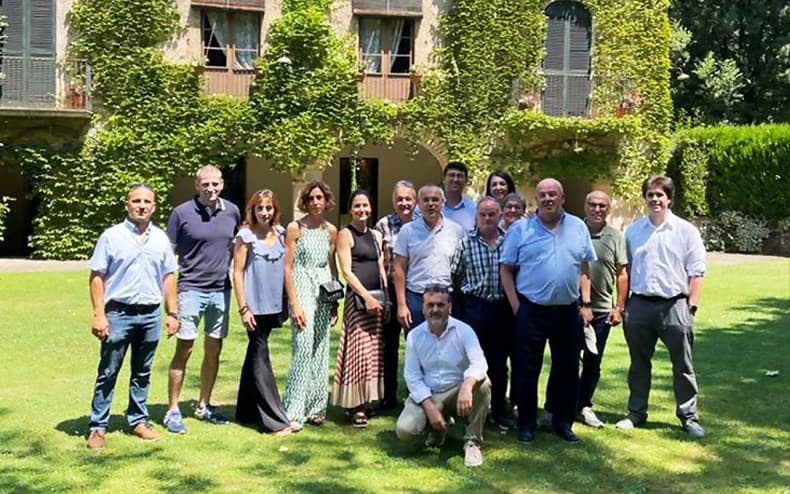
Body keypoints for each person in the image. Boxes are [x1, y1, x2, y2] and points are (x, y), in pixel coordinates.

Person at [500, 178, 596, 444]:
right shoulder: (520, 230)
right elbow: (506, 268)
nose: (547, 199)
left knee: (567, 368)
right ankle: (526, 423)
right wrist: (516, 306)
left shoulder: (578, 227)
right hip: (531, 310)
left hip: (567, 311)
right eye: (542, 195)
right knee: (527, 369)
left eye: (553, 194)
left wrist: (586, 302)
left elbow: (584, 267)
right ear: (537, 199)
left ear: (562, 198)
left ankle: (562, 422)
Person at [86, 184, 179, 450]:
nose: (141, 206)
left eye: (147, 202)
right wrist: (99, 315)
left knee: (142, 372)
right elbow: (97, 276)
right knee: (108, 371)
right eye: (136, 201)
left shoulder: (160, 238)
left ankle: (138, 420)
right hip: (119, 314)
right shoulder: (111, 237)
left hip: (150, 315)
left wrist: (172, 312)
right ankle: (98, 426)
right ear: (127, 205)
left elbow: (168, 276)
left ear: (154, 206)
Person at [616, 176, 707, 438]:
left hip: (675, 305)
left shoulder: (686, 231)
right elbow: (625, 271)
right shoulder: (633, 231)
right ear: (645, 198)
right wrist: (622, 306)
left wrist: (691, 306)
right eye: (650, 195)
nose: (655, 199)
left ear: (669, 199)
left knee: (683, 365)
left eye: (660, 195)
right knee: (638, 364)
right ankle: (636, 412)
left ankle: (688, 417)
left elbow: (697, 271)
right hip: (640, 305)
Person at [539, 190, 629, 429]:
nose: (597, 209)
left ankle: (583, 406)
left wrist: (619, 307)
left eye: (602, 206)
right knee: (563, 360)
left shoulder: (615, 237)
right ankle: (551, 407)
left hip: (601, 310)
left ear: (608, 208)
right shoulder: (573, 229)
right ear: (585, 206)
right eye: (592, 205)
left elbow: (622, 273)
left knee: (592, 361)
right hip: (572, 307)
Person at [164, 164, 240, 434]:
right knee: (185, 349)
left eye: (215, 184)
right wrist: (170, 305)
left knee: (214, 349)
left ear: (222, 184)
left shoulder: (232, 211)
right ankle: (173, 409)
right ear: (197, 185)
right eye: (205, 184)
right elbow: (167, 258)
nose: (210, 189)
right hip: (190, 290)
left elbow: (237, 248)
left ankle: (203, 404)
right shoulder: (181, 213)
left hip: (221, 291)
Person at [395, 285, 491, 468]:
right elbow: (412, 377)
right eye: (430, 305)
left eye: (440, 305)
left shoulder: (464, 331)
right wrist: (429, 407)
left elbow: (480, 363)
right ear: (423, 309)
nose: (435, 310)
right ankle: (437, 429)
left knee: (483, 383)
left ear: (450, 307)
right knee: (405, 430)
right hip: (430, 394)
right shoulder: (414, 336)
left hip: (457, 393)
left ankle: (472, 442)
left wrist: (467, 385)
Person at [232, 189, 294, 436]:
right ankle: (274, 420)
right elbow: (237, 273)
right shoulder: (245, 237)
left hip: (274, 306)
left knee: (254, 354)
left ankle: (245, 412)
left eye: (269, 208)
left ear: (274, 210)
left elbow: (287, 270)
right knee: (260, 356)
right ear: (253, 210)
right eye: (260, 208)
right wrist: (243, 308)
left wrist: (288, 302)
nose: (265, 212)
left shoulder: (281, 234)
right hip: (253, 308)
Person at [451, 197, 515, 430]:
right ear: (476, 216)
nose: (487, 218)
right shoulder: (466, 242)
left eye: (492, 214)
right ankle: (470, 410)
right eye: (483, 215)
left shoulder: (510, 241)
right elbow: (455, 275)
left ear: (500, 215)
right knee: (471, 361)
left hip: (501, 308)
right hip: (474, 307)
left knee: (498, 363)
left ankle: (498, 410)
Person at [283, 180, 339, 429]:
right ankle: (294, 410)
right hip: (302, 287)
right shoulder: (295, 228)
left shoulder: (331, 231)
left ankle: (316, 407)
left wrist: (334, 302)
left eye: (320, 198)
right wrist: (294, 303)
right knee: (303, 349)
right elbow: (288, 268)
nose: (316, 202)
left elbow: (332, 266)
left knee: (320, 349)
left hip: (323, 291)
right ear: (305, 202)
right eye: (311, 198)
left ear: (326, 201)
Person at [332, 190, 387, 427]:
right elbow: (346, 271)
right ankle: (355, 406)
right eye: (357, 205)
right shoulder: (345, 234)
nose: (362, 209)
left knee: (372, 354)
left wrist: (385, 298)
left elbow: (381, 266)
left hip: (377, 300)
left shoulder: (376, 235)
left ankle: (365, 400)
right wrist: (366, 297)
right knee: (358, 353)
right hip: (357, 302)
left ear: (371, 208)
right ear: (350, 209)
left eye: (365, 205)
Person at [393, 185, 465, 331]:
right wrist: (401, 305)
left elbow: (461, 269)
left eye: (435, 200)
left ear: (443, 203)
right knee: (417, 342)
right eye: (426, 200)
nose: (431, 204)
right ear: (419, 204)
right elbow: (399, 269)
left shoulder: (456, 231)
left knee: (447, 342)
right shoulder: (407, 231)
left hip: (446, 297)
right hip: (416, 297)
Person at [375, 180, 417, 409]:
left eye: (408, 199)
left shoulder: (422, 223)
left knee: (416, 345)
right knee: (388, 346)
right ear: (393, 200)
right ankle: (388, 396)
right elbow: (379, 261)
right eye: (399, 199)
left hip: (415, 290)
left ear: (415, 200)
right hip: (390, 289)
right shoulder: (383, 225)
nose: (404, 203)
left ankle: (416, 395)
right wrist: (385, 295)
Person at [441, 161, 477, 233]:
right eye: (452, 175)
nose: (455, 179)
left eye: (460, 176)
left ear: (466, 181)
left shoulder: (474, 209)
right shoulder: (429, 206)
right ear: (444, 179)